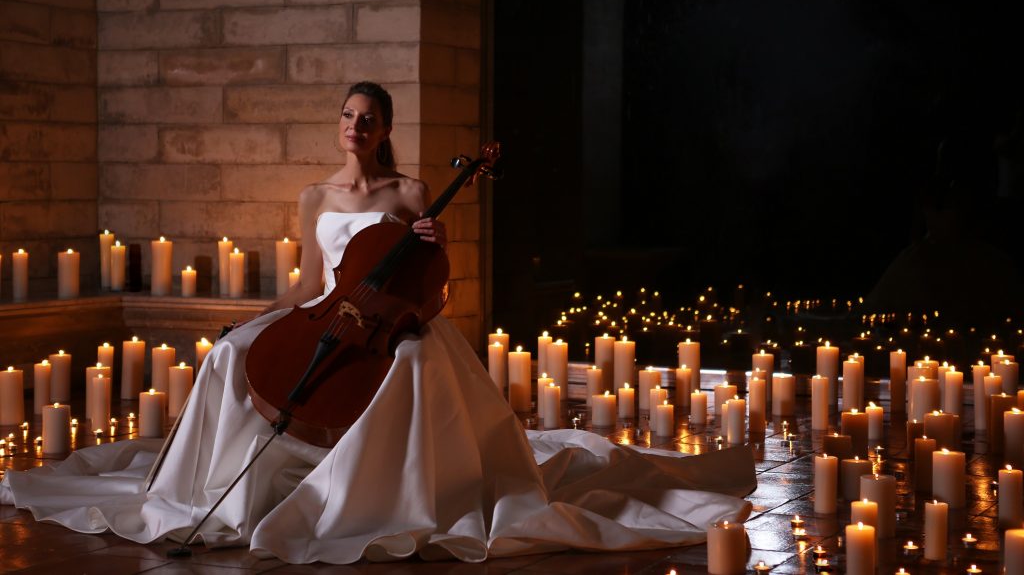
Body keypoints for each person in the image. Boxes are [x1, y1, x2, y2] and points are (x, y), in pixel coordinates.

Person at [1, 82, 755, 564]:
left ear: (384, 127)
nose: (355, 126)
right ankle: (214, 491)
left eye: (367, 118)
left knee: (416, 360)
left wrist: (436, 242)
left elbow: (430, 285)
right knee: (230, 356)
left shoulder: (412, 191)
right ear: (339, 126)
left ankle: (382, 493)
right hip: (328, 310)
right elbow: (310, 283)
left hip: (392, 320)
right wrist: (250, 322)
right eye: (347, 116)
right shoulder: (314, 196)